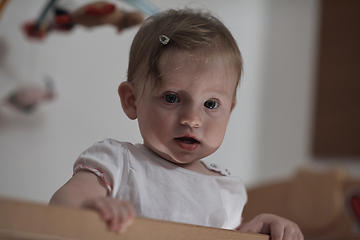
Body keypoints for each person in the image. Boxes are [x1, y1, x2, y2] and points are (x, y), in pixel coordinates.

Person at [50, 8, 303, 240]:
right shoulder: (119, 162)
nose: (192, 119)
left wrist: (255, 230)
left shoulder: (225, 188)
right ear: (132, 100)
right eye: (172, 98)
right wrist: (86, 210)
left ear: (230, 110)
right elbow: (63, 203)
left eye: (211, 104)